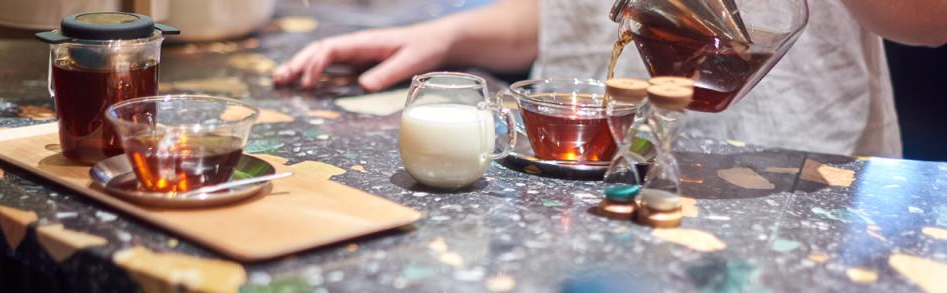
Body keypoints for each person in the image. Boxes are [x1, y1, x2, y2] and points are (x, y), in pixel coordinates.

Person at [273, 0, 947, 157]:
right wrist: (450, 33)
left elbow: (925, 19)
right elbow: (586, 15)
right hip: (587, 166)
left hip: (784, 173)